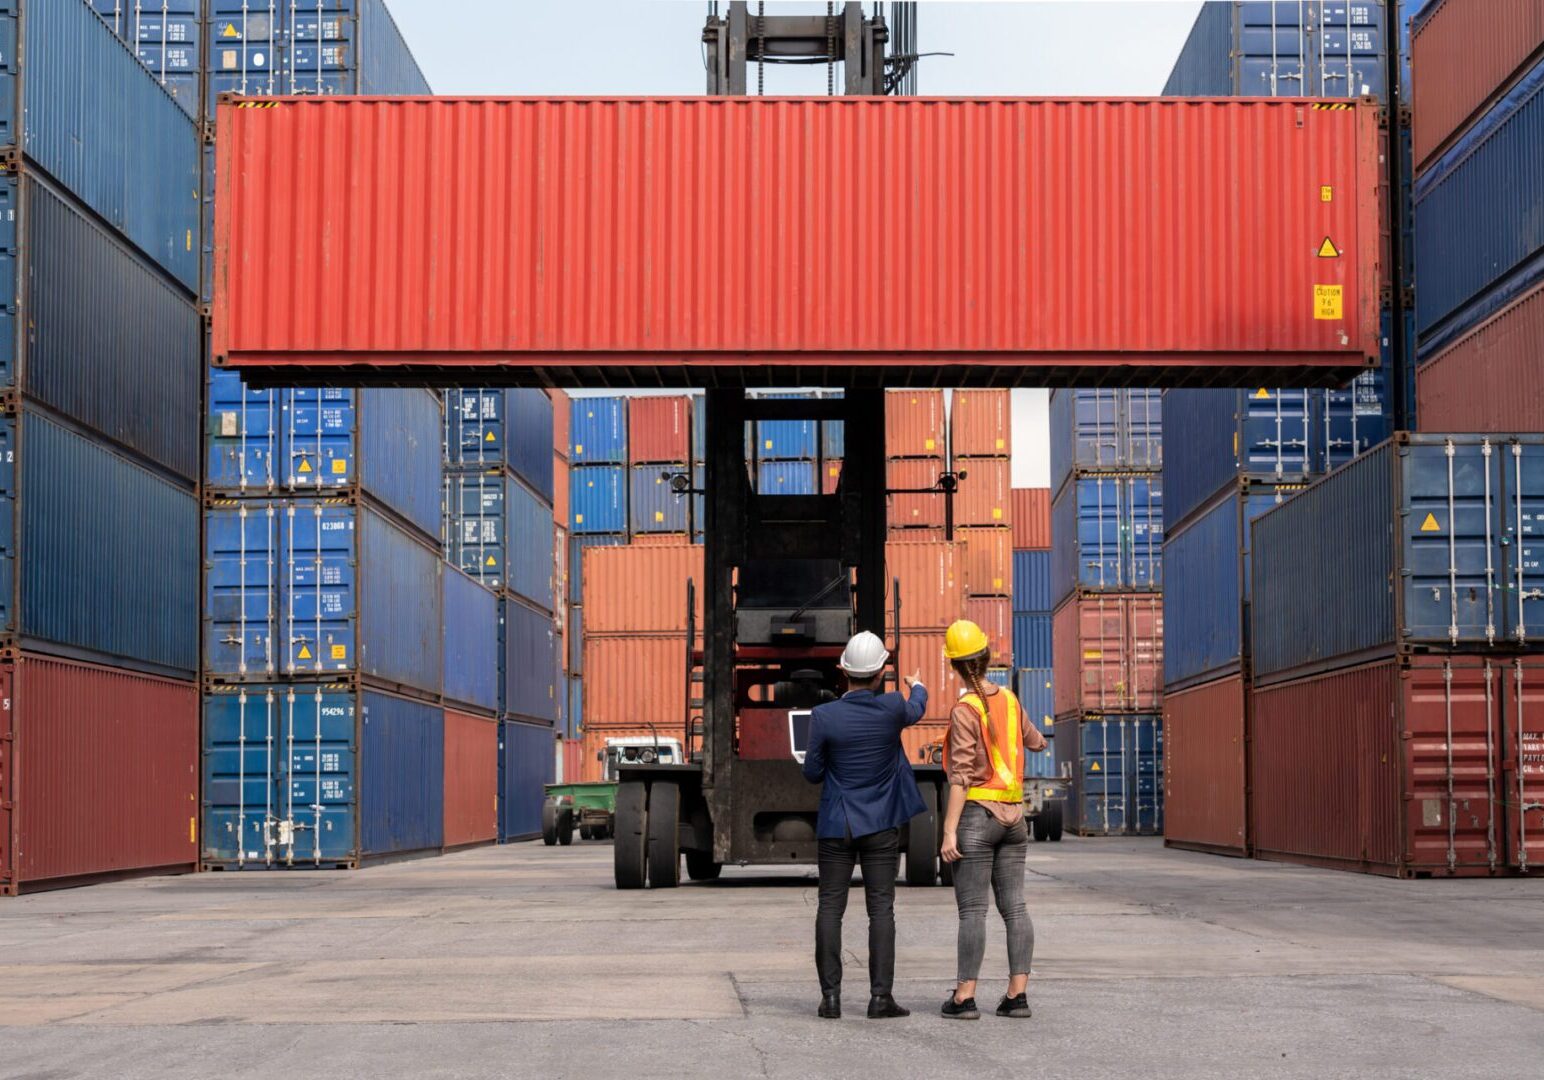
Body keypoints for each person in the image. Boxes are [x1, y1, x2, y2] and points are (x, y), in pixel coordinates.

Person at [801, 630, 928, 1021]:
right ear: (880, 673)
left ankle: (831, 998)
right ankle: (880, 998)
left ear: (843, 670)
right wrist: (917, 684)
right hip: (881, 826)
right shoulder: (892, 707)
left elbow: (812, 774)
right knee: (881, 910)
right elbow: (917, 707)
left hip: (837, 824)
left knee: (829, 908)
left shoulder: (823, 716)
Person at [937, 619, 1047, 1020]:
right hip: (1014, 819)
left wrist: (949, 830)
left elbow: (962, 776)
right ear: (985, 657)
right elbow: (1035, 740)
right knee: (1015, 908)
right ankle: (1017, 996)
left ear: (955, 666)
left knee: (972, 911)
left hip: (978, 819)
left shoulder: (964, 709)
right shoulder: (1012, 700)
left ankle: (965, 997)